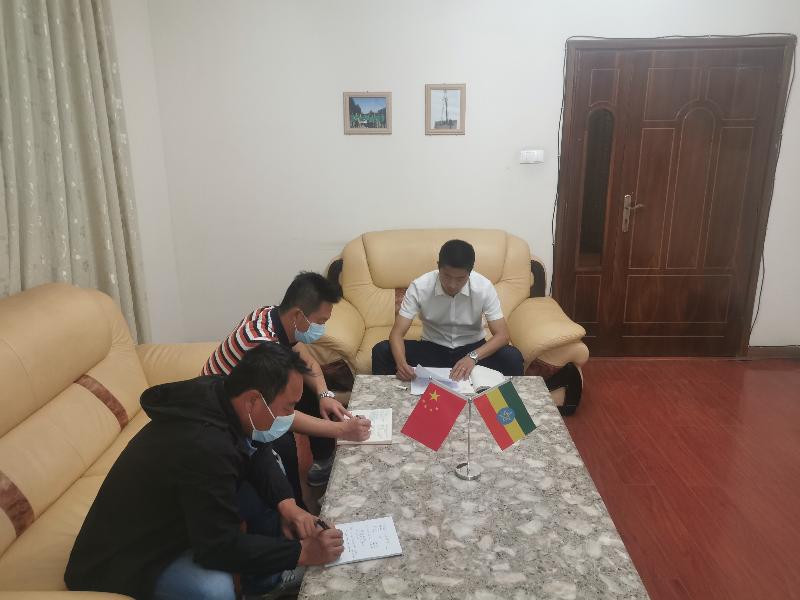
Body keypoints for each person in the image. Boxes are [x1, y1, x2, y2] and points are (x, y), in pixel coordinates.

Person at [65, 343, 344, 600]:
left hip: (180, 515)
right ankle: (265, 581)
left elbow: (256, 448)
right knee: (213, 590)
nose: (290, 415)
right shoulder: (205, 448)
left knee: (264, 491)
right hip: (124, 558)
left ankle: (266, 580)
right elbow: (218, 547)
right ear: (253, 401)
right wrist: (302, 552)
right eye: (288, 407)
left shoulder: (222, 391)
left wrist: (288, 505)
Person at [203, 272, 370, 490]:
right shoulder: (261, 343)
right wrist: (342, 430)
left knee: (310, 388)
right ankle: (293, 500)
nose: (322, 329)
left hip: (256, 395)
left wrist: (325, 395)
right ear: (298, 315)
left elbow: (308, 363)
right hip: (221, 414)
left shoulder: (273, 316)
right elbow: (279, 414)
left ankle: (323, 464)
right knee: (283, 444)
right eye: (320, 322)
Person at [372, 239, 524, 381]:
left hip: (473, 348)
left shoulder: (484, 287)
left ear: (470, 272)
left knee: (512, 356)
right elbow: (397, 334)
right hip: (432, 349)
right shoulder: (419, 286)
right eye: (446, 276)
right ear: (439, 266)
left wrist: (472, 357)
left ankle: (513, 401)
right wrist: (401, 364)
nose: (452, 284)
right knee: (382, 350)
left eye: (460, 278)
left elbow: (502, 335)